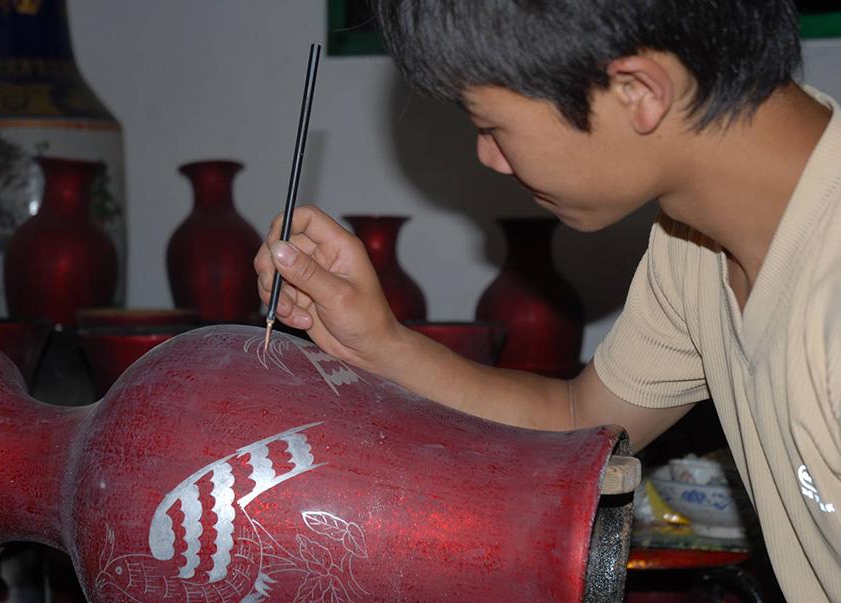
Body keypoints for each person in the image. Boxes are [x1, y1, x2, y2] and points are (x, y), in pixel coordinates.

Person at [254, 1, 840, 600]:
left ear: (637, 90)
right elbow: (574, 422)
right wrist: (379, 343)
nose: (489, 157)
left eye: (490, 125)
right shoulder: (694, 242)